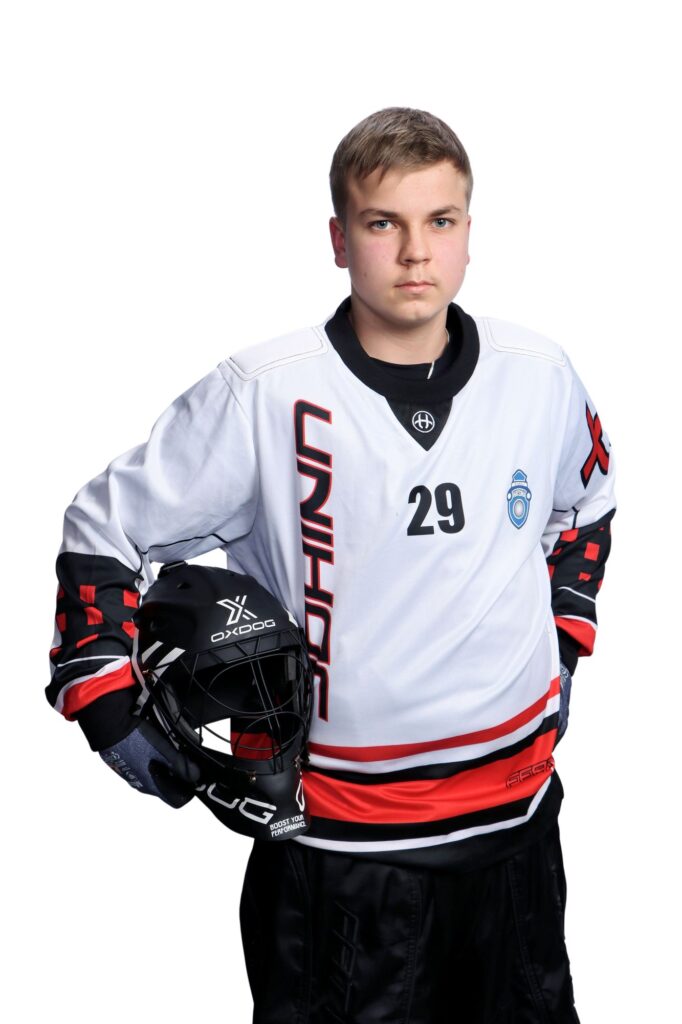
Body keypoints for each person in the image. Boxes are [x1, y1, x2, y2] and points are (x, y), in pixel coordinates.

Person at [47, 107, 615, 1022]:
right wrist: (113, 713)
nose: (416, 253)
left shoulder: (538, 374)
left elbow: (585, 502)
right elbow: (101, 530)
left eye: (440, 221)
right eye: (383, 223)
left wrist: (561, 650)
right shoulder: (264, 393)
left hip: (515, 834)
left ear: (470, 232)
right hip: (340, 861)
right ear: (340, 239)